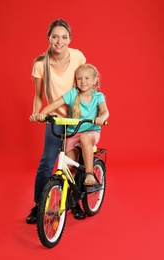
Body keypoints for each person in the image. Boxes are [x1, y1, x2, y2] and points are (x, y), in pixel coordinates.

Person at [26, 18, 86, 224]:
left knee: (73, 161)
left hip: (77, 117)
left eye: (64, 37)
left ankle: (73, 201)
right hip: (57, 118)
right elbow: (38, 95)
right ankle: (38, 205)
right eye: (55, 37)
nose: (59, 41)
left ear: (69, 39)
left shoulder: (78, 56)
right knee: (47, 162)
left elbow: (85, 82)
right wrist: (37, 113)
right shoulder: (40, 64)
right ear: (49, 38)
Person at [34, 63, 109, 216]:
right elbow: (55, 104)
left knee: (85, 137)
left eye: (87, 78)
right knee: (70, 170)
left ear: (95, 80)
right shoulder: (73, 94)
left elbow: (105, 111)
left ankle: (89, 174)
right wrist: (42, 114)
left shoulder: (97, 96)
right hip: (72, 134)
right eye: (79, 79)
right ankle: (70, 201)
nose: (83, 82)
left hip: (90, 132)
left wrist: (101, 118)